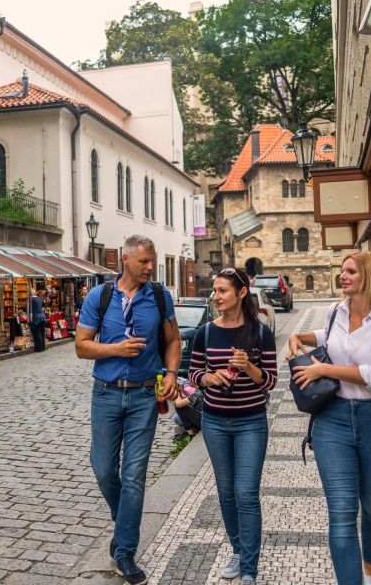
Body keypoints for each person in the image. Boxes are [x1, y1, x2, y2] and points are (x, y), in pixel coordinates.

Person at [287, 252, 371, 585]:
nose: (343, 276)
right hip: (333, 419)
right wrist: (300, 337)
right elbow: (330, 338)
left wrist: (323, 369)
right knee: (340, 514)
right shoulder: (335, 311)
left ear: (369, 275)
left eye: (351, 271)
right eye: (342, 271)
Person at [76, 235, 181, 585]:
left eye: (152, 261)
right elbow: (82, 347)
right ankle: (124, 525)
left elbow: (174, 341)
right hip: (105, 394)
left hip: (142, 398)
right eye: (144, 262)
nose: (150, 267)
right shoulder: (100, 297)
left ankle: (125, 552)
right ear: (125, 260)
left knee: (135, 476)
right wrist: (116, 349)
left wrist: (170, 373)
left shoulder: (160, 297)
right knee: (104, 469)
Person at [189, 267, 277, 585]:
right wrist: (210, 378)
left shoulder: (261, 333)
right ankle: (239, 551)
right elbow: (194, 374)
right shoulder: (206, 333)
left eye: (223, 290)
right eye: (215, 290)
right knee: (226, 493)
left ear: (241, 293)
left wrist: (248, 366)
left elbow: (270, 380)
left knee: (246, 493)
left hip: (251, 422)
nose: (216, 296)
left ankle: (250, 567)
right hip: (214, 422)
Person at [172, 377, 203, 441]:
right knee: (177, 417)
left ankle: (189, 430)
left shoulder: (200, 392)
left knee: (179, 409)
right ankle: (192, 428)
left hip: (205, 421)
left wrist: (175, 390)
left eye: (190, 378)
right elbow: (193, 399)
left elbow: (179, 404)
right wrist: (182, 391)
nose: (188, 380)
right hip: (206, 416)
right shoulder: (201, 389)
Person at [29, 287, 47, 352]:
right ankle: (43, 347)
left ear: (30, 294)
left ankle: (39, 348)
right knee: (42, 332)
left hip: (37, 318)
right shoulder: (39, 298)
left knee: (38, 332)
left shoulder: (31, 300)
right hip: (42, 317)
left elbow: (31, 310)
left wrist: (30, 319)